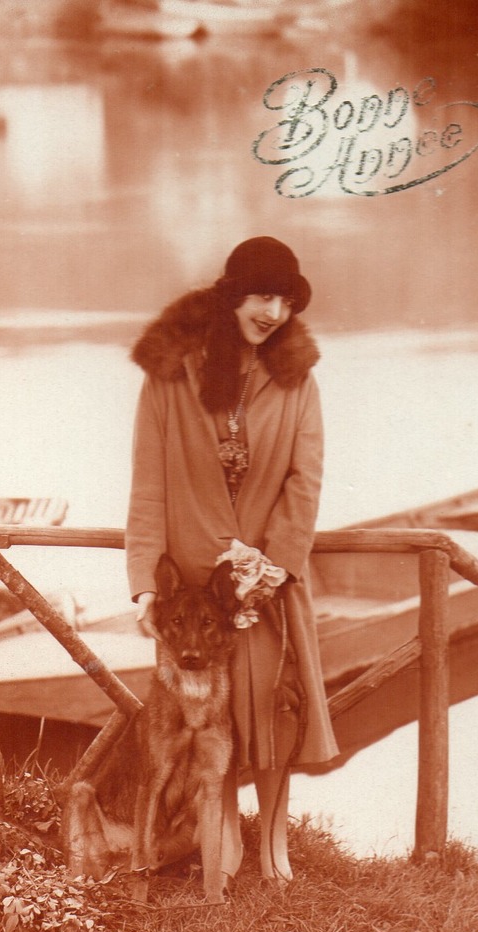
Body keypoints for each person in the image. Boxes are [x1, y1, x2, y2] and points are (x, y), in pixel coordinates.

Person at [126, 236, 339, 889]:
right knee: (202, 718)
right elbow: (149, 485)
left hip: (268, 582)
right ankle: (220, 847)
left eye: (284, 298)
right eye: (261, 294)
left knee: (273, 711)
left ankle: (274, 844)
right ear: (233, 295)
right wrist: (143, 586)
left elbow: (305, 482)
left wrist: (271, 565)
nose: (272, 311)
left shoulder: (298, 381)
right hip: (192, 590)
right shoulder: (171, 375)